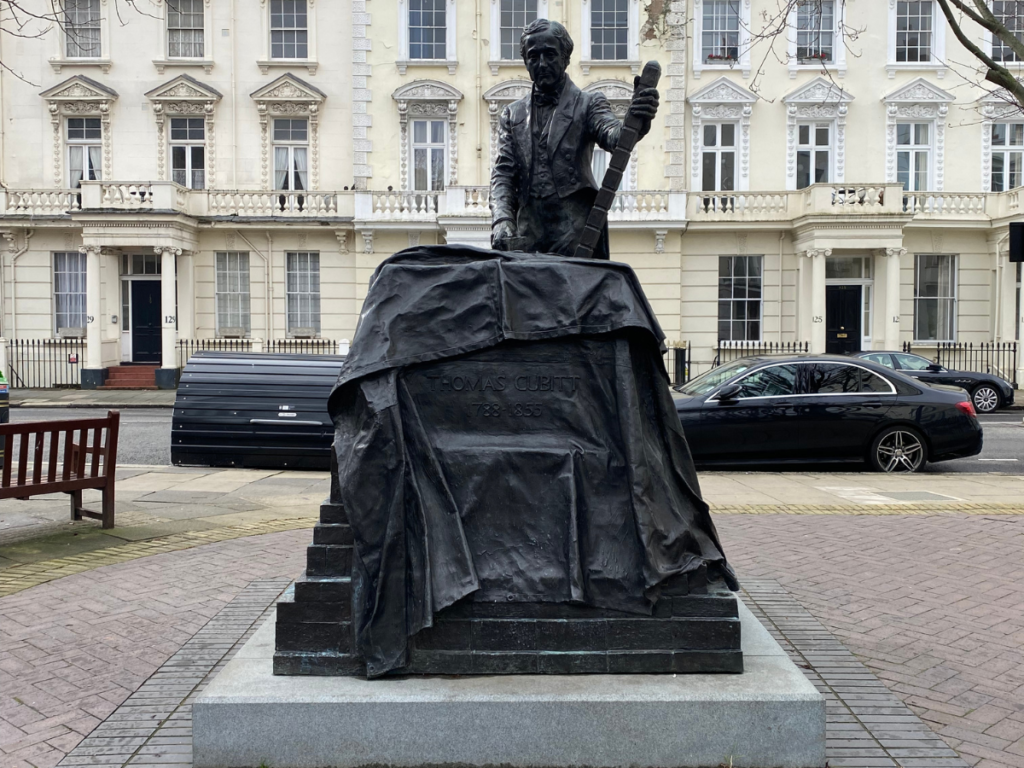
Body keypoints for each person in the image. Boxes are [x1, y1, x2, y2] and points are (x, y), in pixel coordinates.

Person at [490, 19, 659, 258]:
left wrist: (636, 119)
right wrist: (502, 219)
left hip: (575, 231)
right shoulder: (512, 113)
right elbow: (504, 173)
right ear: (525, 61)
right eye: (533, 56)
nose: (541, 63)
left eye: (550, 54)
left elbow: (614, 137)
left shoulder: (588, 104)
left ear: (565, 58)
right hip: (527, 232)